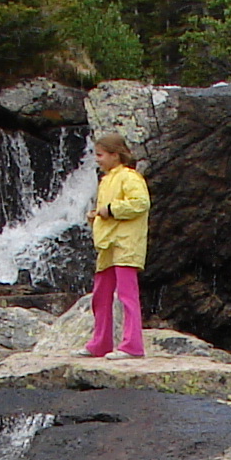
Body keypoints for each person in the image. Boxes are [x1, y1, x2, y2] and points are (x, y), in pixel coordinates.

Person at [84, 132, 149, 358]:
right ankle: (100, 343)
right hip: (108, 245)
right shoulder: (107, 179)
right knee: (101, 295)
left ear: (115, 155)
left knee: (126, 295)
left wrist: (110, 210)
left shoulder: (130, 177)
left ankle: (132, 345)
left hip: (126, 244)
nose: (98, 159)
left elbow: (141, 203)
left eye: (100, 155)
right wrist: (98, 216)